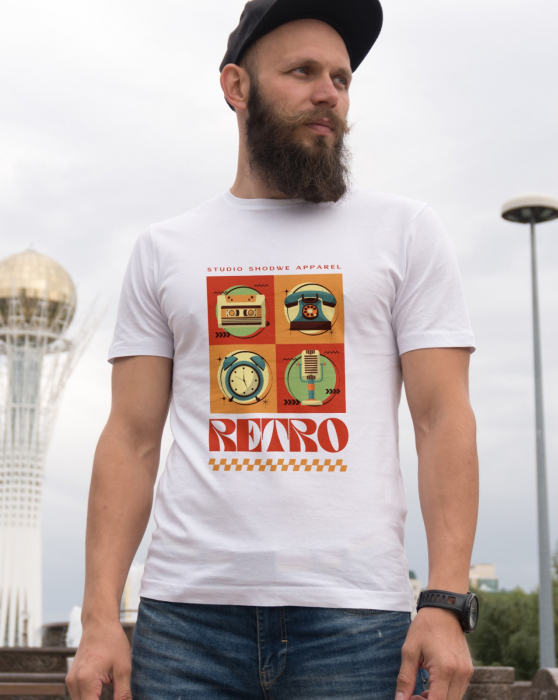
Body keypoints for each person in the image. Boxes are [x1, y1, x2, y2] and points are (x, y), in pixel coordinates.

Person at [66, 0, 479, 698]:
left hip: (357, 623)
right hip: (186, 623)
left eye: (341, 79)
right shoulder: (165, 249)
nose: (329, 93)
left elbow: (443, 420)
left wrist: (445, 601)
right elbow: (131, 439)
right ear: (236, 86)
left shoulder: (406, 231)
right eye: (303, 72)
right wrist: (100, 616)